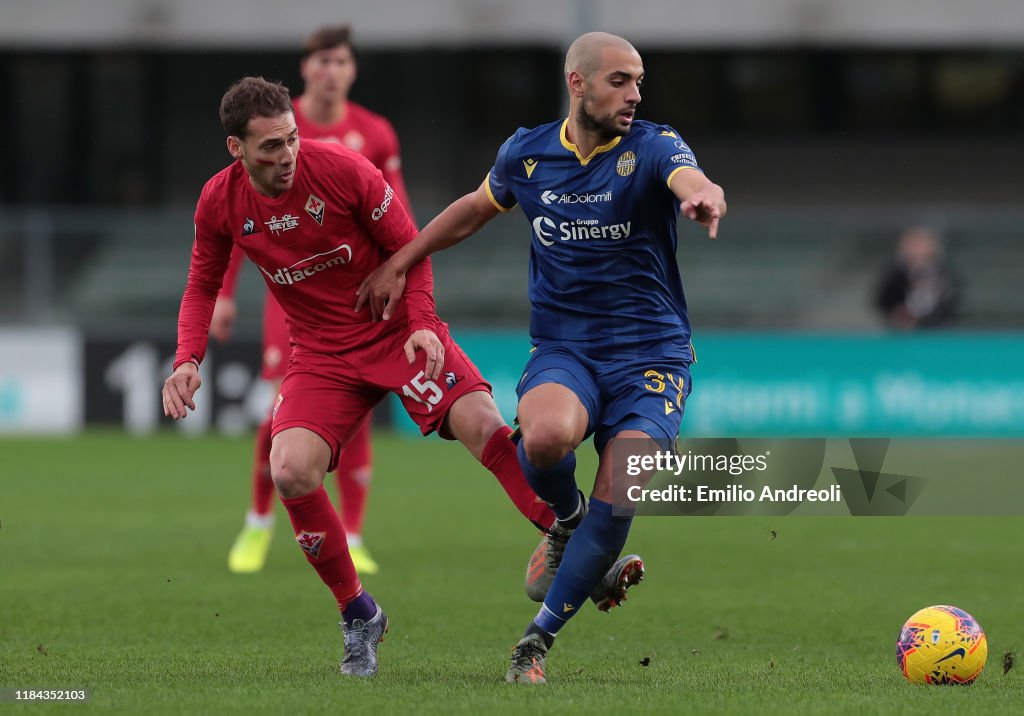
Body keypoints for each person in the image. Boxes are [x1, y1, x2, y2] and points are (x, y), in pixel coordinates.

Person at [356, 32, 726, 684]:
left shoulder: (652, 146)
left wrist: (704, 196)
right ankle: (567, 520)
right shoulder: (527, 154)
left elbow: (688, 176)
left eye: (639, 81)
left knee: (624, 484)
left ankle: (536, 642)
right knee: (548, 439)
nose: (634, 94)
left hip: (651, 357)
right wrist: (402, 259)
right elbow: (473, 211)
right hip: (567, 348)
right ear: (577, 83)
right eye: (620, 80)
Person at [161, 76, 560, 677]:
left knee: (482, 423)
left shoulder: (345, 170)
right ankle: (359, 616)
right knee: (290, 470)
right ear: (235, 149)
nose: (286, 155)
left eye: (290, 139)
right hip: (321, 353)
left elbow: (413, 248)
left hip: (399, 333)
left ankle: (569, 536)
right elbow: (202, 285)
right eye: (269, 146)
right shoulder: (219, 202)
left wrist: (423, 323)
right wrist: (187, 360)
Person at [214, 25, 415, 576]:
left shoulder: (375, 133)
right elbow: (235, 218)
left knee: (360, 404)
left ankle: (352, 534)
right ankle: (258, 522)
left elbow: (399, 216)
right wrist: (225, 295)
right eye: (322, 60)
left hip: (356, 290)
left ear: (352, 70)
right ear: (306, 68)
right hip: (291, 297)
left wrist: (405, 273)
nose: (331, 70)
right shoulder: (270, 125)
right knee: (284, 404)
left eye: (341, 61)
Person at [875, 225, 960, 330]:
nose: (917, 248)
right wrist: (898, 313)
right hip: (902, 332)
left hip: (938, 331)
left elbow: (953, 302)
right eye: (913, 244)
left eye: (921, 244)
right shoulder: (894, 274)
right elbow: (882, 301)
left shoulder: (943, 273)